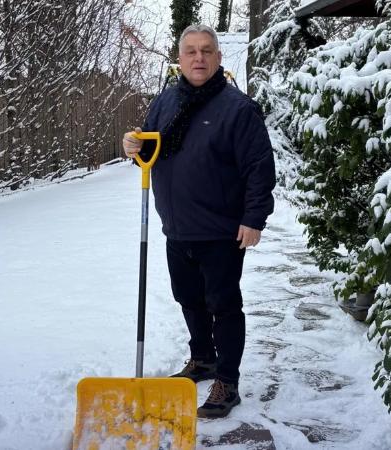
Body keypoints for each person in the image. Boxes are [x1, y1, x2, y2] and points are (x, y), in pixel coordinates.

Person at [122, 24, 275, 419]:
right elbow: (151, 150)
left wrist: (254, 218)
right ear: (180, 58)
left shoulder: (238, 108)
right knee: (188, 298)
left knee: (223, 305)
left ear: (218, 58)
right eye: (191, 51)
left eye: (207, 51)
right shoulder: (165, 101)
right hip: (177, 226)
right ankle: (203, 358)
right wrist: (133, 147)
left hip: (221, 229)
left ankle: (227, 380)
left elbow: (259, 168)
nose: (199, 58)